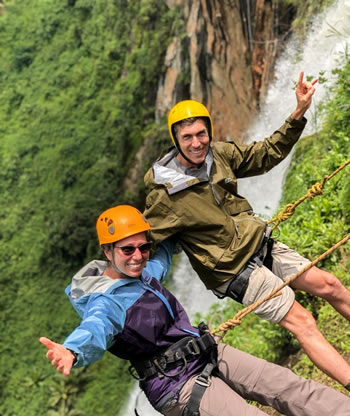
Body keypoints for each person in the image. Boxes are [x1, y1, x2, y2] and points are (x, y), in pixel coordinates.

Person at [39, 205, 350, 416]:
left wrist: (181, 221)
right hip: (177, 385)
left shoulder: (144, 273)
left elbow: (161, 254)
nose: (138, 255)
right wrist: (73, 351)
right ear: (107, 251)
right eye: (127, 249)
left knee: (292, 388)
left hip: (206, 351)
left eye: (143, 246)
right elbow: (95, 329)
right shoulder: (106, 303)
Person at [143, 71, 350, 389]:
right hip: (233, 271)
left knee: (330, 285)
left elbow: (264, 155)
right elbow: (142, 241)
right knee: (303, 321)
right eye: (187, 138)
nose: (197, 143)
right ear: (176, 140)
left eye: (201, 134)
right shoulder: (164, 195)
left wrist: (298, 112)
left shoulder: (219, 155)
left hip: (258, 243)